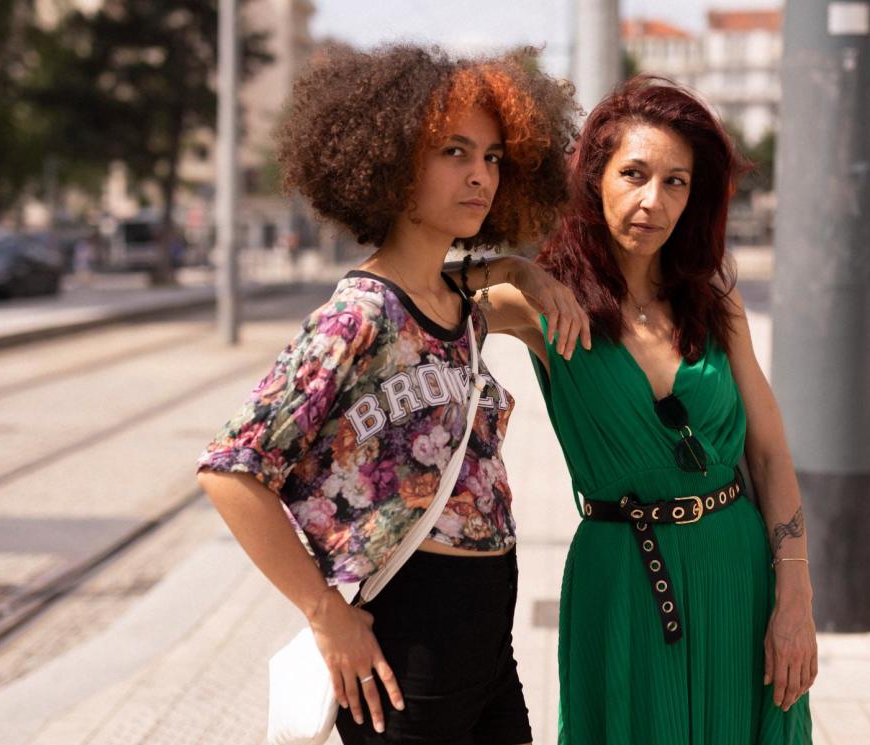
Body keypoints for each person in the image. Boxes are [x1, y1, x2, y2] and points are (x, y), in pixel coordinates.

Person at [194, 45, 585, 745]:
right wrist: (323, 612)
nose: (480, 175)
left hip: (488, 641)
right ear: (394, 164)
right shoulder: (360, 315)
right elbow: (229, 469)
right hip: (408, 645)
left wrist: (519, 269)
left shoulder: (458, 303)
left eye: (494, 157)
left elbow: (474, 290)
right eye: (455, 152)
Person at [477, 76, 817, 743]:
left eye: (676, 182)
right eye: (633, 174)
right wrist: (517, 270)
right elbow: (411, 292)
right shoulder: (543, 304)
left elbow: (771, 454)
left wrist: (795, 599)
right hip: (623, 579)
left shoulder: (714, 297)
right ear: (595, 176)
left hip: (737, 571)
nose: (652, 201)